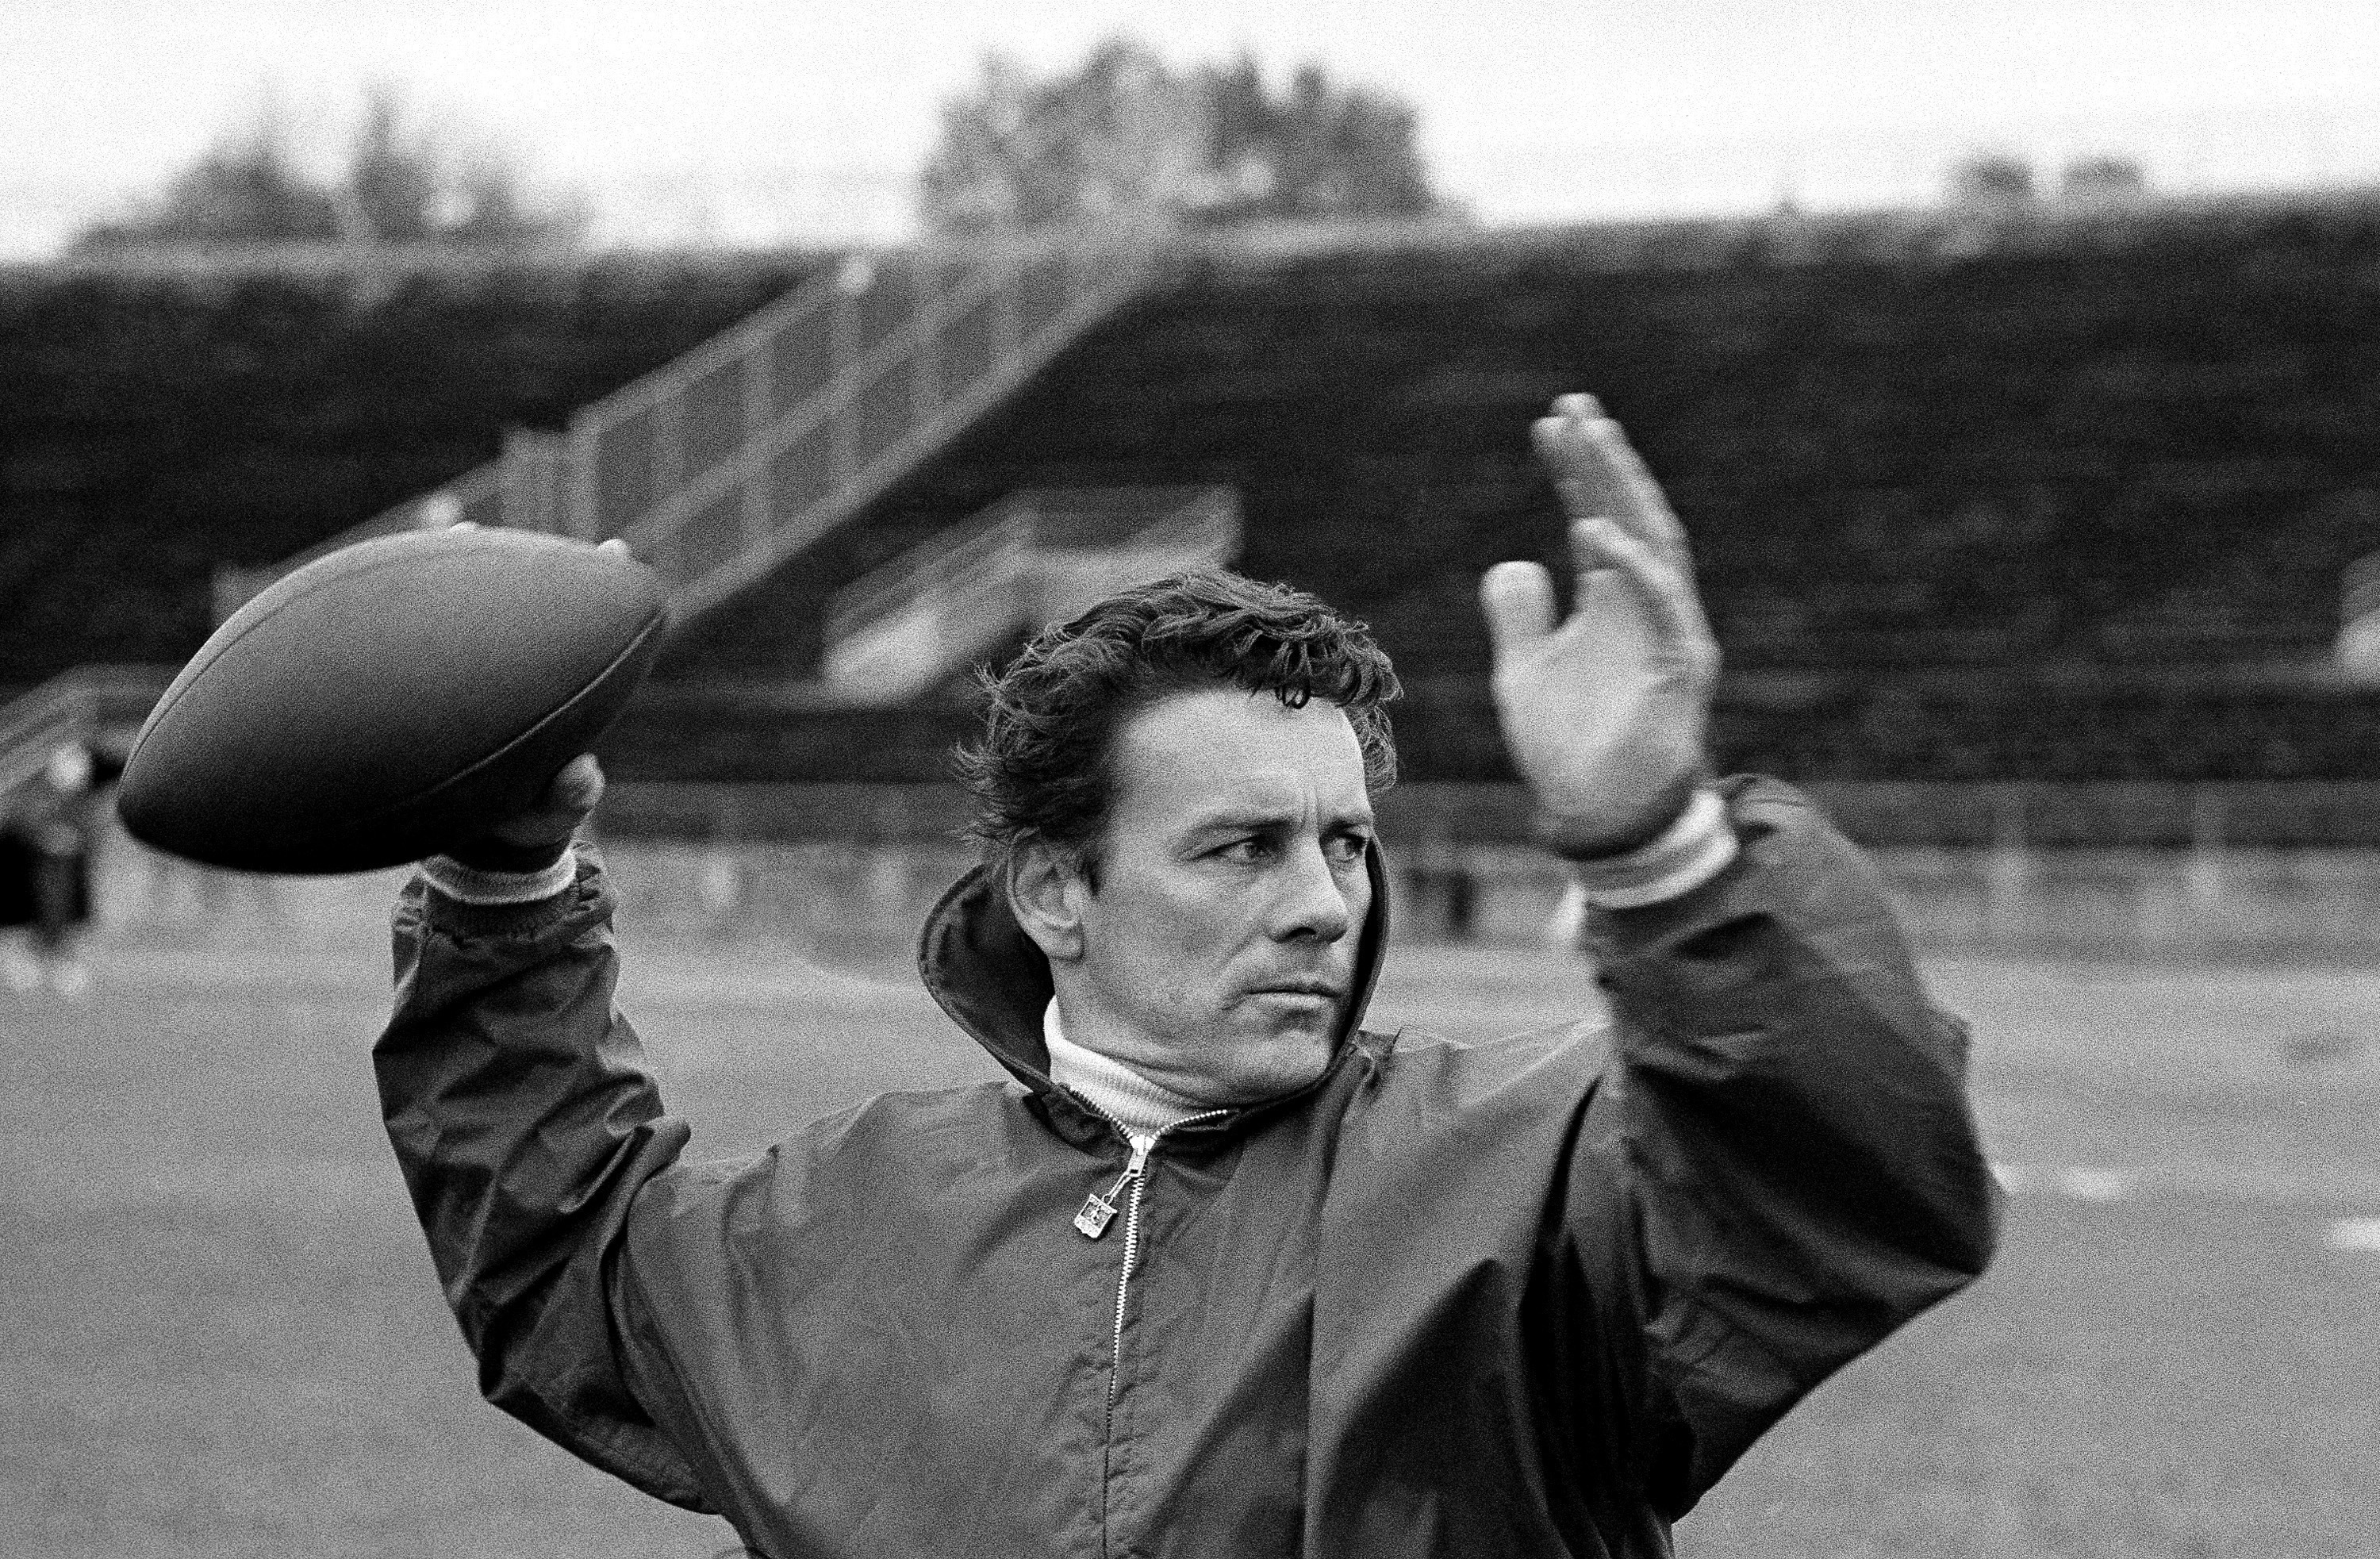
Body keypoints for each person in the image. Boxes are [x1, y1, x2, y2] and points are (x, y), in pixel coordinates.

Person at [378, 395, 1998, 1557]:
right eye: (1239, 849)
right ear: (1055, 890)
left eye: (1345, 844)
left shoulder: (1531, 1171)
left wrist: (1665, 848)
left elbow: (1851, 1189)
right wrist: (503, 882)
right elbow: (563, 1264)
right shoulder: (844, 1221)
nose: (1321, 906)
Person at [2, 741, 102, 996]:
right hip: (30, 865)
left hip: (64, 867)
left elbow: (87, 830)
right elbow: (19, 824)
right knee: (29, 916)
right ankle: (33, 960)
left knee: (62, 915)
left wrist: (70, 838)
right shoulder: (33, 794)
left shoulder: (79, 801)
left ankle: (59, 960)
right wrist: (45, 836)